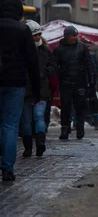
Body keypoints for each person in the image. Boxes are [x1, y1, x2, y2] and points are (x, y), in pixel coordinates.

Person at [0, 0, 41, 181]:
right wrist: (37, 89)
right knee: (10, 126)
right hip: (15, 83)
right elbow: (33, 62)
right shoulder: (23, 30)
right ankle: (7, 169)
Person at [20, 20, 56, 157]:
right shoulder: (25, 50)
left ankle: (39, 144)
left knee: (36, 117)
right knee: (28, 119)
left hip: (39, 89)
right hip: (27, 90)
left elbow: (53, 66)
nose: (37, 37)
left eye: (38, 34)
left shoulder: (44, 50)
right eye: (35, 35)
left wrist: (46, 72)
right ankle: (29, 147)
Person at [53, 26, 93, 140]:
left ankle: (80, 127)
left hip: (80, 82)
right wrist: (58, 78)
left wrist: (91, 80)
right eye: (73, 36)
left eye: (76, 35)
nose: (75, 38)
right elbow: (54, 66)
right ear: (66, 36)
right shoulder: (59, 50)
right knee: (65, 107)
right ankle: (65, 129)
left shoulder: (82, 48)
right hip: (65, 83)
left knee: (80, 106)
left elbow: (89, 64)